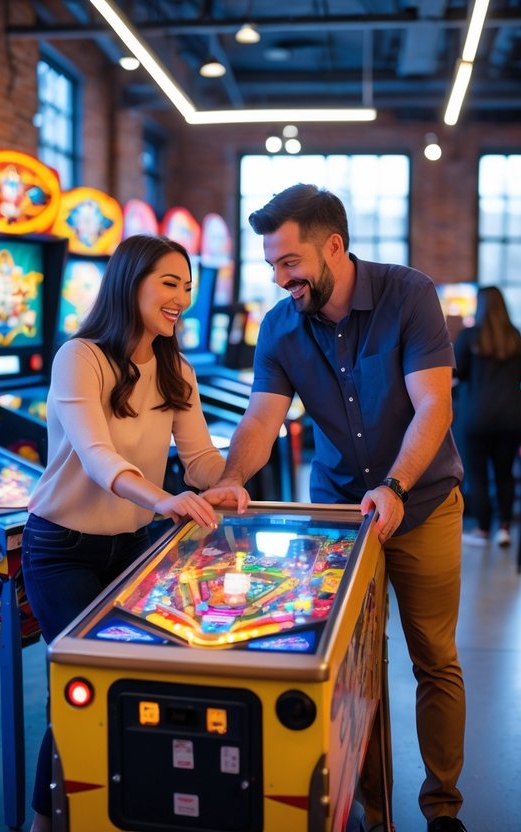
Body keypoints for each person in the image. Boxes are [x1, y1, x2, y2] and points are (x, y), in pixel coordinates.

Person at [202, 184, 468, 832]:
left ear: (333, 247)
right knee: (357, 666)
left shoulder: (408, 294)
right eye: (270, 264)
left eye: (287, 262)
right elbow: (263, 417)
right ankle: (374, 814)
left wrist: (396, 488)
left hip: (423, 502)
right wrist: (235, 476)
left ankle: (440, 806)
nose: (278, 277)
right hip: (341, 516)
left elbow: (433, 404)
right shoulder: (279, 325)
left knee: (432, 655)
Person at [20, 234, 247, 832]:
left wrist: (231, 481)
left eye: (188, 287)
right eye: (170, 283)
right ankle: (45, 822)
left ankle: (117, 811)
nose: (182, 298)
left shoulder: (177, 367)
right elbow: (97, 457)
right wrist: (167, 499)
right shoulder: (81, 356)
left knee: (132, 684)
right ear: (131, 283)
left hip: (134, 548)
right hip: (61, 548)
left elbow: (198, 458)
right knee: (79, 685)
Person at [454, 286, 521, 547]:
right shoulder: (516, 337)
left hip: (476, 417)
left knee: (477, 475)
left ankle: (484, 530)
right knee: (505, 474)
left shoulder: (469, 337)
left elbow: (458, 374)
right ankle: (505, 528)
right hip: (511, 417)